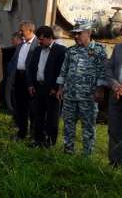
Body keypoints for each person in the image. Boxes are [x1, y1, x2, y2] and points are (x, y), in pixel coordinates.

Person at [56, 20, 106, 155]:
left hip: (89, 97)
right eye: (74, 34)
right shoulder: (71, 51)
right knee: (68, 124)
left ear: (89, 33)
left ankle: (87, 154)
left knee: (88, 126)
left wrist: (100, 90)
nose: (76, 36)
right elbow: (64, 70)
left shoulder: (99, 50)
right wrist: (60, 88)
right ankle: (68, 151)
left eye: (79, 33)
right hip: (70, 95)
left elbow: (102, 72)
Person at [26, 26, 66, 147]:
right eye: (39, 39)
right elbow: (31, 68)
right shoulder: (38, 50)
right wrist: (31, 84)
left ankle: (50, 142)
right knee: (38, 114)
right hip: (38, 87)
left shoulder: (61, 50)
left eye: (42, 39)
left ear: (50, 38)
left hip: (52, 90)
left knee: (52, 116)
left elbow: (61, 71)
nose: (39, 41)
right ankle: (38, 140)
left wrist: (56, 87)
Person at [9, 21, 39, 140]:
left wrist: (32, 82)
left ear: (30, 31)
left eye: (22, 30)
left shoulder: (38, 44)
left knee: (32, 108)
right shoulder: (21, 45)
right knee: (20, 107)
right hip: (19, 78)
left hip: (31, 80)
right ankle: (21, 133)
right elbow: (16, 61)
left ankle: (33, 134)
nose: (20, 33)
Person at [106, 44, 122, 166]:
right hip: (115, 95)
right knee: (114, 130)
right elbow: (108, 69)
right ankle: (114, 162)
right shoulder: (118, 48)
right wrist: (115, 85)